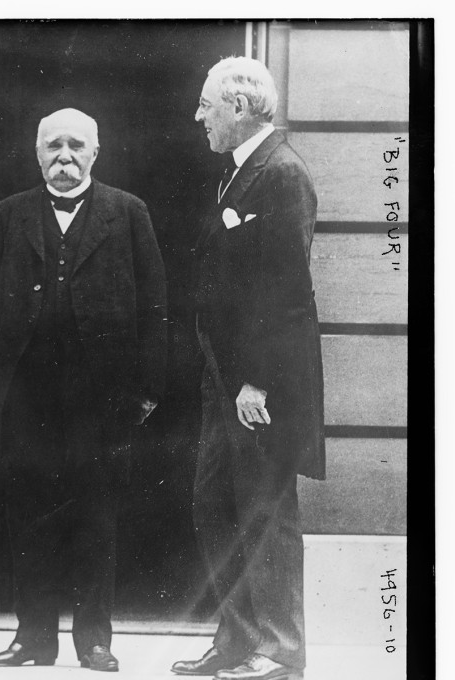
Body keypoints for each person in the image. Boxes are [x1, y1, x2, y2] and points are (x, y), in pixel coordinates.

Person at [0, 108, 167, 672]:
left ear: (95, 154)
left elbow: (155, 305)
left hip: (99, 395)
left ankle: (95, 641)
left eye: (76, 146)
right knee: (29, 516)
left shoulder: (128, 213)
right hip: (23, 392)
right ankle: (33, 640)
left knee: (95, 518)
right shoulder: (10, 214)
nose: (64, 156)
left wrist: (145, 387)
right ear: (37, 153)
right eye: (53, 146)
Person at [171, 57, 324, 680]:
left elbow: (286, 291)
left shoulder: (281, 174)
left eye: (207, 105)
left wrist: (255, 380)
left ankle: (281, 652)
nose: (199, 116)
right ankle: (235, 640)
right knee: (214, 505)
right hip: (226, 382)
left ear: (239, 108)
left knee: (264, 512)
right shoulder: (240, 175)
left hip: (260, 387)